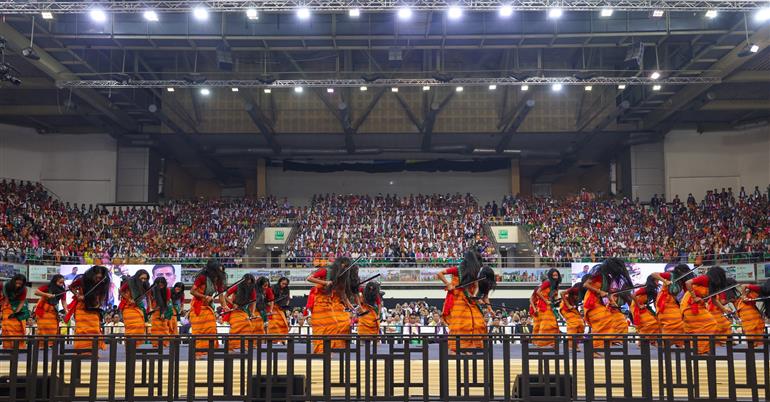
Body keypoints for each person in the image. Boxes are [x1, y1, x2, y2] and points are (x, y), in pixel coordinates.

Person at [437, 250, 489, 354]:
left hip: (469, 300)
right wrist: (448, 284)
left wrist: (474, 296)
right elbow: (440, 273)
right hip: (458, 300)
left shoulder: (475, 272)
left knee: (477, 321)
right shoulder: (457, 269)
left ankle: (469, 347)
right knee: (460, 324)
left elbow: (476, 287)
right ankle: (454, 348)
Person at [306, 256, 360, 354]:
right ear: (340, 263)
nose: (346, 268)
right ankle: (322, 350)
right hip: (319, 301)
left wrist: (350, 305)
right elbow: (309, 278)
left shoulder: (340, 276)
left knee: (333, 325)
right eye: (345, 265)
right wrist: (325, 282)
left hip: (328, 302)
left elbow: (342, 293)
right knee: (327, 325)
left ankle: (326, 349)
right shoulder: (326, 270)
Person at [582, 258, 634, 353]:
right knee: (604, 320)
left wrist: (612, 302)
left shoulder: (608, 278)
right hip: (591, 302)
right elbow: (585, 285)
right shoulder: (598, 274)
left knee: (620, 320)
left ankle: (613, 340)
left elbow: (608, 293)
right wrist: (599, 291)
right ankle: (593, 350)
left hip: (600, 303)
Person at [681, 266, 726, 354]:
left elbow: (714, 300)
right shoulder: (705, 278)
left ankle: (698, 348)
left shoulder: (712, 285)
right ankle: (701, 350)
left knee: (699, 327)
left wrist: (724, 309)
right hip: (690, 304)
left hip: (698, 306)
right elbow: (688, 282)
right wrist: (695, 297)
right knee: (710, 324)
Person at [65, 265, 111, 351]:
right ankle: (81, 350)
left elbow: (101, 298)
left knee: (95, 329)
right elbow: (71, 287)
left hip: (93, 309)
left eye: (100, 278)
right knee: (82, 330)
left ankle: (93, 351)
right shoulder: (82, 280)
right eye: (97, 278)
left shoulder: (101, 283)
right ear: (92, 275)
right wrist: (78, 295)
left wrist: (98, 303)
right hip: (81, 308)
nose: (98, 280)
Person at [190, 260, 227, 357]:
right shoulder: (202, 278)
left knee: (211, 328)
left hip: (208, 307)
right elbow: (192, 291)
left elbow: (221, 296)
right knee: (199, 331)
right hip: (198, 306)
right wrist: (205, 297)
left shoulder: (218, 280)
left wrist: (225, 306)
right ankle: (198, 352)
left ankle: (209, 351)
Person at [651, 264, 693, 347]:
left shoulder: (683, 282)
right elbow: (654, 274)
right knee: (675, 320)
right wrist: (664, 281)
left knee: (683, 320)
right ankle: (664, 343)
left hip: (674, 303)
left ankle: (678, 342)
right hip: (664, 302)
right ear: (680, 271)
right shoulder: (671, 275)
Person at [224, 274, 258, 351]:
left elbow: (253, 302)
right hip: (234, 310)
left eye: (250, 283)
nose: (248, 284)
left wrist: (252, 313)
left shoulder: (252, 289)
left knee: (248, 325)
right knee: (236, 327)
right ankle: (231, 346)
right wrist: (233, 304)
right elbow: (225, 296)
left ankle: (245, 345)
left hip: (243, 310)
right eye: (247, 282)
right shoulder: (237, 286)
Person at [530, 268, 561, 347]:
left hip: (550, 306)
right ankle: (541, 342)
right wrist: (545, 301)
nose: (555, 277)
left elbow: (555, 297)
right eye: (553, 275)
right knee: (546, 324)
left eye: (556, 275)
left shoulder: (556, 285)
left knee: (551, 324)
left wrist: (558, 301)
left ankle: (551, 342)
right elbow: (537, 293)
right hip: (542, 306)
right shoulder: (547, 283)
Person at [34, 274, 66, 346]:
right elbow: (36, 292)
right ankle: (42, 345)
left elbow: (64, 302)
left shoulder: (62, 291)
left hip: (52, 312)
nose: (61, 284)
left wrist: (67, 311)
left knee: (53, 328)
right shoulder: (47, 287)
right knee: (42, 328)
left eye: (62, 282)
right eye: (59, 282)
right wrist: (46, 294)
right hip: (43, 311)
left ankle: (51, 345)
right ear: (55, 281)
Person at [1, 274, 29, 349]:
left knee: (19, 327)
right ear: (13, 281)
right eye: (17, 283)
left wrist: (16, 312)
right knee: (8, 326)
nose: (18, 285)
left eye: (20, 284)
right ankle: (9, 346)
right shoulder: (6, 285)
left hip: (19, 306)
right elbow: (6, 298)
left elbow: (22, 301)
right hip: (8, 305)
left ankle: (19, 346)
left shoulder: (24, 289)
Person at [119, 270, 150, 337]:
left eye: (145, 279)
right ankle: (129, 345)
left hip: (137, 307)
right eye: (142, 278)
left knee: (141, 325)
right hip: (127, 307)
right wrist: (129, 299)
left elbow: (148, 297)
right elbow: (121, 291)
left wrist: (149, 307)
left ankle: (136, 345)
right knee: (132, 326)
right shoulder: (129, 282)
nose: (143, 280)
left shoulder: (145, 285)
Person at [734, 279, 765, 344]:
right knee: (751, 333)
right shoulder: (758, 288)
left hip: (752, 314)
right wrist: (744, 296)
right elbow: (743, 286)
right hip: (748, 315)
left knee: (757, 331)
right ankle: (754, 347)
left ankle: (757, 346)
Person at [632, 275, 662, 341]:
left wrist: (657, 312)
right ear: (652, 281)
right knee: (651, 322)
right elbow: (633, 295)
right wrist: (639, 305)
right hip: (637, 307)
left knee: (657, 321)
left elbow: (655, 303)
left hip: (643, 308)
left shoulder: (653, 291)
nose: (658, 282)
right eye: (657, 281)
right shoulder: (644, 289)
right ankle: (644, 340)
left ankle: (652, 340)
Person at [559, 280, 585, 348]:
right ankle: (571, 345)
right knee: (573, 324)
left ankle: (575, 344)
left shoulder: (584, 292)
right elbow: (562, 293)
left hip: (573, 309)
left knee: (581, 324)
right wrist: (568, 305)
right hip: (565, 308)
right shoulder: (575, 289)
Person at [149, 277, 173, 347]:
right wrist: (151, 309)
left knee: (164, 328)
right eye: (159, 285)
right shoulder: (152, 290)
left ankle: (165, 344)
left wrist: (163, 313)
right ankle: (155, 344)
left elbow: (167, 302)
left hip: (164, 310)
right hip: (155, 312)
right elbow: (150, 300)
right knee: (155, 329)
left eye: (162, 285)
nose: (160, 286)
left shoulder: (167, 290)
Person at [267, 277, 291, 341]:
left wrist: (286, 305)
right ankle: (273, 340)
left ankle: (282, 339)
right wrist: (271, 305)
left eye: (286, 284)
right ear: (279, 282)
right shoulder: (273, 287)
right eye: (283, 283)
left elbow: (288, 298)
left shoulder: (287, 289)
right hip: (273, 307)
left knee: (283, 323)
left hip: (281, 309)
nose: (284, 285)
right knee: (274, 324)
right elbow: (268, 298)